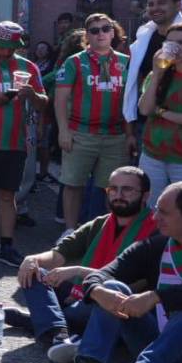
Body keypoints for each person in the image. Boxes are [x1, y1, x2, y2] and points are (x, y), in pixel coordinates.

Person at [49, 182, 182, 363]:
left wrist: (155, 296)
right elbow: (104, 273)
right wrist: (100, 291)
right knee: (112, 286)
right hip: (161, 346)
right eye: (156, 209)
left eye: (164, 212)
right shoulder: (157, 245)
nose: (154, 217)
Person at [6, 167, 156, 356]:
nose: (118, 195)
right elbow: (57, 255)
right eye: (113, 189)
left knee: (95, 304)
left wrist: (79, 273)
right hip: (83, 294)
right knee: (36, 274)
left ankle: (45, 322)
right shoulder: (100, 223)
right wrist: (32, 259)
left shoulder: (155, 231)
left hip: (117, 301)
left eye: (127, 190)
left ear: (145, 195)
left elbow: (134, 285)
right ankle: (59, 333)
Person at [53, 14, 131, 228]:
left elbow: (131, 102)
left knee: (112, 189)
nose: (101, 34)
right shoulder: (74, 62)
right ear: (87, 35)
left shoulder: (126, 62)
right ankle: (69, 231)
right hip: (80, 133)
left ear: (113, 32)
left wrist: (130, 135)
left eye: (105, 28)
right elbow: (61, 99)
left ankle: (108, 234)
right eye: (94, 30)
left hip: (116, 136)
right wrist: (63, 131)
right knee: (73, 184)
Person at [137, 22, 182, 201]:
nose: (174, 48)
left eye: (181, 43)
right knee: (151, 210)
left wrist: (161, 112)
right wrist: (157, 74)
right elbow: (144, 109)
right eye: (169, 43)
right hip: (152, 155)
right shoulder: (158, 74)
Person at [124, 0, 182, 128]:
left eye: (162, 3)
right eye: (151, 4)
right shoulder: (143, 38)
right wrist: (129, 130)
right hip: (146, 122)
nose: (155, 8)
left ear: (178, 5)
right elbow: (132, 83)